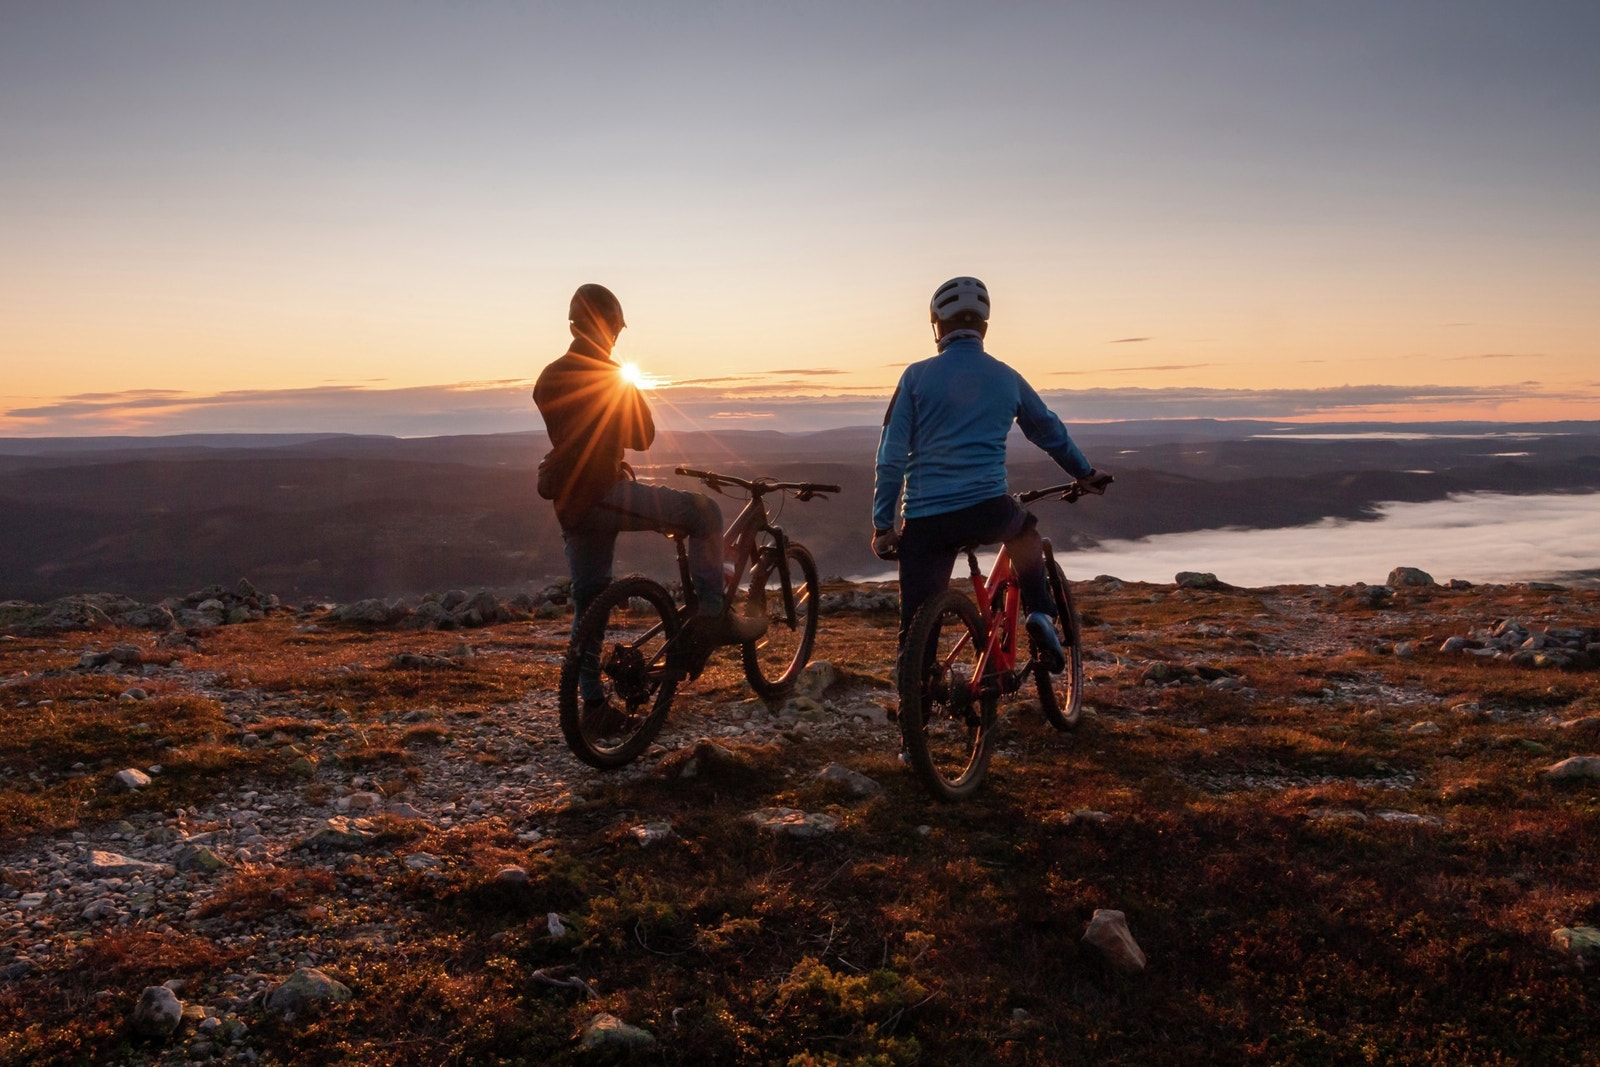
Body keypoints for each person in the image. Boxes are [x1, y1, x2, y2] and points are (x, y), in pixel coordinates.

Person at [534, 283, 763, 699]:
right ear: (607, 329)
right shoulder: (607, 374)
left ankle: (591, 703)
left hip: (568, 504)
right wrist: (626, 383)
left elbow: (571, 432)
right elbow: (643, 436)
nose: (616, 338)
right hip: (601, 493)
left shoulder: (547, 377)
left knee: (590, 607)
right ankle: (713, 612)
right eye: (615, 331)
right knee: (705, 512)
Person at [871, 276, 1110, 669]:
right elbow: (1048, 431)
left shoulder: (914, 377)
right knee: (1024, 532)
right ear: (983, 326)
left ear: (938, 326)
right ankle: (1038, 613)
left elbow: (891, 456)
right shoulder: (1006, 376)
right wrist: (1083, 472)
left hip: (926, 519)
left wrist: (882, 525)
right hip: (988, 510)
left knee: (915, 622)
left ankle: (917, 700)